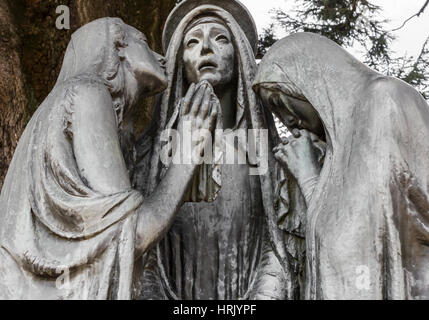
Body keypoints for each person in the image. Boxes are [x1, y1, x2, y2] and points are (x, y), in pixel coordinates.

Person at [0, 18, 217, 300]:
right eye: (144, 42)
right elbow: (133, 232)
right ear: (118, 48)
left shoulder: (62, 108)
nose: (162, 57)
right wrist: (189, 148)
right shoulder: (88, 93)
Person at [134, 0, 300, 300]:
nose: (206, 48)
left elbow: (278, 245)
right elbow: (139, 251)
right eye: (192, 42)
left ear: (240, 57)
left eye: (220, 38)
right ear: (178, 62)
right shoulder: (149, 154)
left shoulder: (270, 155)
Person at [254, 32, 429, 299]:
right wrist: (308, 175)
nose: (287, 120)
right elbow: (337, 238)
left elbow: (356, 236)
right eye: (277, 113)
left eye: (281, 102)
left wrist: (308, 175)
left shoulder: (385, 99)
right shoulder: (335, 153)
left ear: (309, 81)